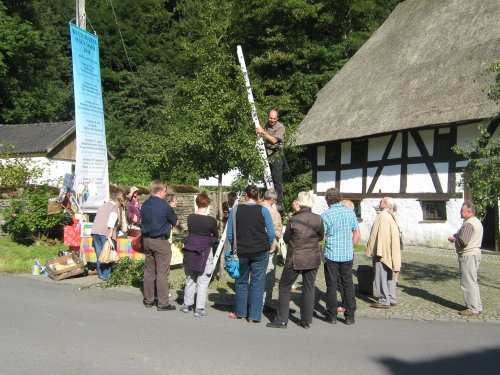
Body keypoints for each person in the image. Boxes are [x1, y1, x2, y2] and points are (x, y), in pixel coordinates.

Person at [267, 192, 324, 329]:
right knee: (309, 288)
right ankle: (306, 321)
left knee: (284, 287)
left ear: (300, 202)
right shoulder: (318, 219)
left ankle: (281, 320)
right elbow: (321, 236)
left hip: (296, 258)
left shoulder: (293, 219)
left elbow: (286, 239)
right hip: (313, 257)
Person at [226, 185, 275, 323]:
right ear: (257, 195)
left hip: (241, 251)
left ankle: (240, 312)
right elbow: (271, 233)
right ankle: (253, 316)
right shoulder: (263, 210)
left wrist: (235, 245)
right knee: (258, 283)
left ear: (246, 195)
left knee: (241, 282)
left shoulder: (235, 210)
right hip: (260, 250)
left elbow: (230, 233)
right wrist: (267, 244)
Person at [321, 188, 360, 325]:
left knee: (331, 285)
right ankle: (350, 315)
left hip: (332, 253)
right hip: (347, 254)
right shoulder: (350, 213)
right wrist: (350, 246)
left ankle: (332, 315)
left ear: (328, 200)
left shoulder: (326, 215)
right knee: (348, 284)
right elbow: (357, 234)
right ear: (340, 198)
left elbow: (323, 237)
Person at [141, 180, 178, 311]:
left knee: (149, 271)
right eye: (165, 191)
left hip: (146, 240)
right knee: (162, 272)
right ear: (161, 190)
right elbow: (175, 221)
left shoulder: (144, 204)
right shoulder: (164, 206)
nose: (166, 193)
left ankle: (148, 299)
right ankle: (163, 303)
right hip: (160, 241)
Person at [180, 194, 219, 317]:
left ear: (197, 203)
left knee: (190, 279)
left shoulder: (190, 218)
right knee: (203, 281)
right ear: (207, 204)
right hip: (204, 252)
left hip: (191, 250)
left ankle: (186, 304)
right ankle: (199, 308)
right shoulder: (211, 221)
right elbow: (215, 236)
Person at [448, 202, 484, 316]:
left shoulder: (469, 224)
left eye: (462, 210)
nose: (460, 212)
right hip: (473, 253)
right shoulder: (475, 221)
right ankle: (477, 306)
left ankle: (472, 308)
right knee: (473, 281)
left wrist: (454, 238)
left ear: (469, 212)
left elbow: (464, 242)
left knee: (467, 282)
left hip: (468, 254)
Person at [366, 197, 401, 309]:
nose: (379, 202)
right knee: (389, 276)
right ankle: (391, 298)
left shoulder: (383, 216)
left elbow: (381, 235)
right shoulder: (390, 216)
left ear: (385, 204)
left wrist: (379, 250)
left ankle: (384, 300)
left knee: (381, 275)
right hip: (389, 250)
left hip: (383, 251)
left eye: (381, 201)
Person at [91, 192, 127, 281]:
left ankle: (101, 274)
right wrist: (111, 231)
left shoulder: (102, 206)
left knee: (99, 254)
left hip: (95, 231)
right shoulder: (114, 207)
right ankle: (106, 275)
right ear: (118, 202)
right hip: (105, 231)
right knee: (106, 254)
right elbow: (112, 219)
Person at [255, 109, 285, 210]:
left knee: (277, 179)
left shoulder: (280, 127)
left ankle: (279, 202)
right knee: (266, 178)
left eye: (274, 119)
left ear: (277, 118)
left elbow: (273, 140)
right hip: (266, 153)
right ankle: (266, 198)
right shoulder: (266, 125)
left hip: (276, 154)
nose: (272, 120)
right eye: (270, 118)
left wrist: (262, 132)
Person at [259, 188, 283, 311]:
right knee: (268, 274)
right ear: (273, 199)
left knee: (255, 274)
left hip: (254, 246)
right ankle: (265, 301)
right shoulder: (274, 213)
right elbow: (278, 231)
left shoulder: (256, 208)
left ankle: (255, 299)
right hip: (269, 247)